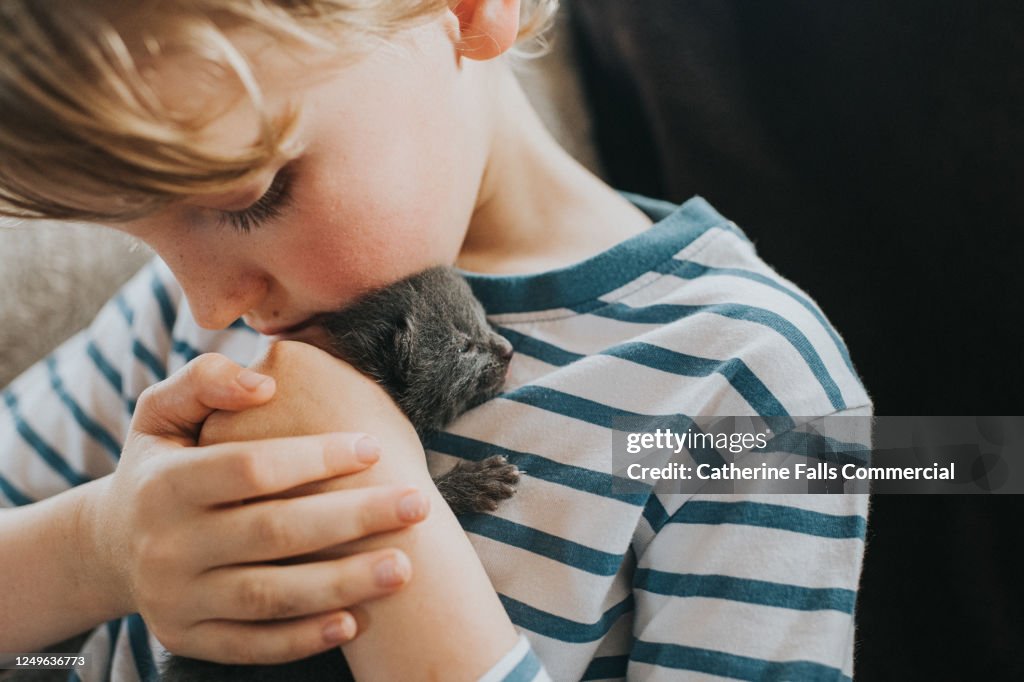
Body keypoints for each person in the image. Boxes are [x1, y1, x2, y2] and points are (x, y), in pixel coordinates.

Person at [0, 1, 872, 680]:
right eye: (136, 231)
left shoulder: (742, 382)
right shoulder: (178, 321)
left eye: (248, 199)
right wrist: (94, 556)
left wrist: (385, 532)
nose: (210, 303)